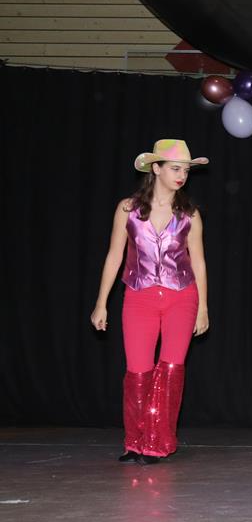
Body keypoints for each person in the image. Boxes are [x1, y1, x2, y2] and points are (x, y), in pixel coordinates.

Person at [91, 139, 211, 464]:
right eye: (176, 169)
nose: (182, 176)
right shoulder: (128, 209)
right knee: (138, 371)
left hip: (181, 297)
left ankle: (158, 443)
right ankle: (135, 441)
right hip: (139, 297)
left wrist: (203, 307)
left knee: (170, 370)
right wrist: (101, 302)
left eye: (186, 171)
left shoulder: (189, 214)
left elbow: (199, 262)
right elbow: (114, 255)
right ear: (156, 169)